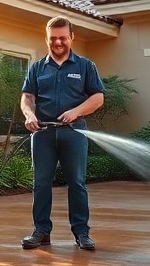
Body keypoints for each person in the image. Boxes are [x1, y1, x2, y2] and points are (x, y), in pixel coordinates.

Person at [20, 16, 105, 251]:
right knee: (41, 183)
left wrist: (76, 111)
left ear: (71, 37)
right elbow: (27, 97)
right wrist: (29, 115)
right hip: (43, 133)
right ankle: (41, 231)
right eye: (53, 38)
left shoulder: (85, 66)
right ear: (46, 39)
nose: (58, 42)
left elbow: (98, 97)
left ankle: (81, 233)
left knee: (77, 183)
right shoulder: (38, 68)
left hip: (74, 132)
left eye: (63, 38)